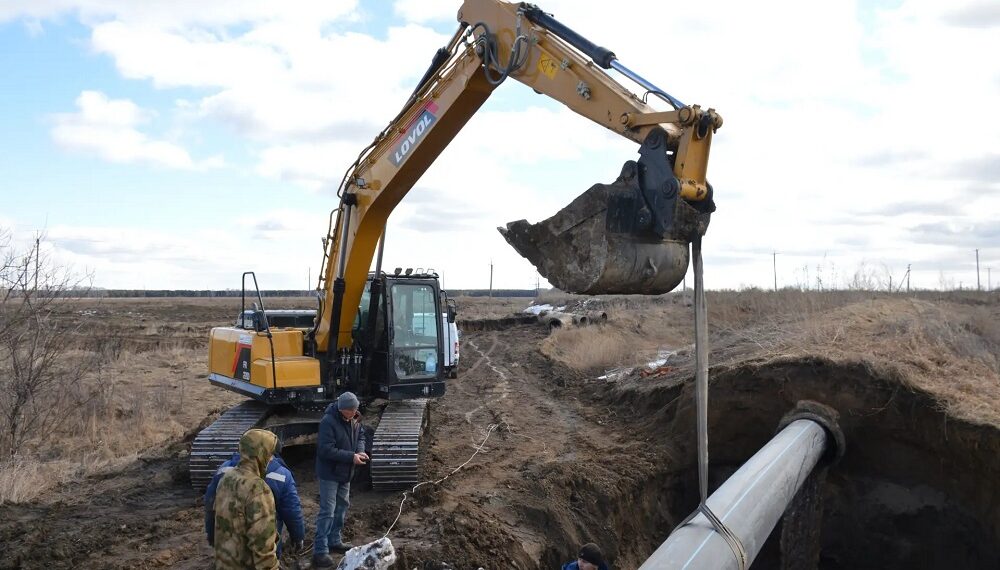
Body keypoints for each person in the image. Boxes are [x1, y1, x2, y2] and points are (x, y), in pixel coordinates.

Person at [204, 438, 305, 555]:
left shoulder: (225, 469)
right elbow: (292, 512)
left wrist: (212, 535)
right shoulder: (282, 475)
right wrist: (298, 538)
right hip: (264, 547)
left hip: (230, 546)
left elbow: (211, 505)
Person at [313, 391, 368, 568]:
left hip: (345, 473)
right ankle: (320, 551)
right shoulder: (328, 422)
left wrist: (360, 450)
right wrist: (351, 457)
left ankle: (334, 540)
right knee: (327, 511)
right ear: (342, 409)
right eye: (351, 411)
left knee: (342, 506)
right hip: (330, 473)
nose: (354, 413)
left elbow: (360, 436)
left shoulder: (354, 418)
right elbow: (325, 450)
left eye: (355, 410)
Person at [213, 428, 280, 570]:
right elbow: (263, 548)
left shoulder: (227, 478)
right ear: (260, 454)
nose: (271, 458)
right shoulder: (258, 489)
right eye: (270, 454)